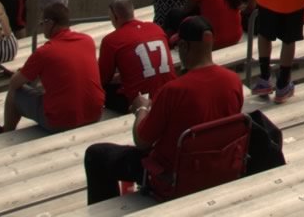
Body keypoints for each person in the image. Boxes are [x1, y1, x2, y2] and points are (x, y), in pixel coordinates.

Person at [81, 15, 246, 205]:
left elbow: (142, 142)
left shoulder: (173, 91)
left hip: (173, 179)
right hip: (220, 169)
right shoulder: (233, 81)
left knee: (96, 155)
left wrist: (141, 109)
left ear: (184, 46)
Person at [0, 2, 102, 136]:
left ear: (50, 23)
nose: (42, 27)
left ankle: (5, 132)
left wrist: (23, 72)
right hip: (95, 114)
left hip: (61, 122)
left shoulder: (45, 52)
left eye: (42, 23)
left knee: (15, 93)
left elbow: (14, 83)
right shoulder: (87, 40)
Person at [97, 0, 176, 114]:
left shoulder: (111, 40)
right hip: (170, 91)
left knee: (100, 91)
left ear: (115, 17)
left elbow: (102, 78)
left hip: (140, 100)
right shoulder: (156, 28)